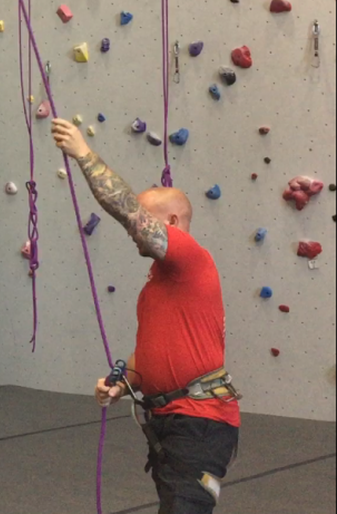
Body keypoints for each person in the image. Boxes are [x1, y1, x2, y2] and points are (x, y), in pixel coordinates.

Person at [51, 119, 241, 514]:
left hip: (199, 421)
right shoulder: (158, 281)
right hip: (171, 420)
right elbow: (154, 348)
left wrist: (83, 154)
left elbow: (125, 210)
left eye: (145, 219)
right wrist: (123, 384)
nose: (132, 231)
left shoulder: (190, 257)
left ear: (171, 224)